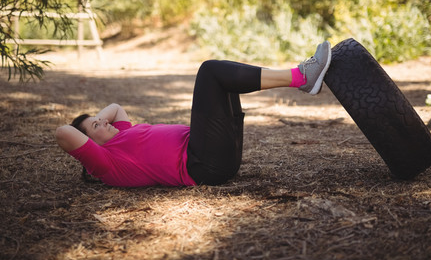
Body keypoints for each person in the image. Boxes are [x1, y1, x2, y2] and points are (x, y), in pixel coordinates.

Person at [55, 41, 332, 187]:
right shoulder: (107, 162)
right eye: (96, 125)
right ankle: (301, 77)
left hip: (219, 155)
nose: (104, 120)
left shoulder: (123, 133)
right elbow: (63, 133)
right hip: (203, 164)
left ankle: (303, 76)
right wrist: (89, 146)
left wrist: (97, 123)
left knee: (225, 80)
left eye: (99, 118)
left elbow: (115, 107)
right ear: (91, 145)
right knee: (210, 71)